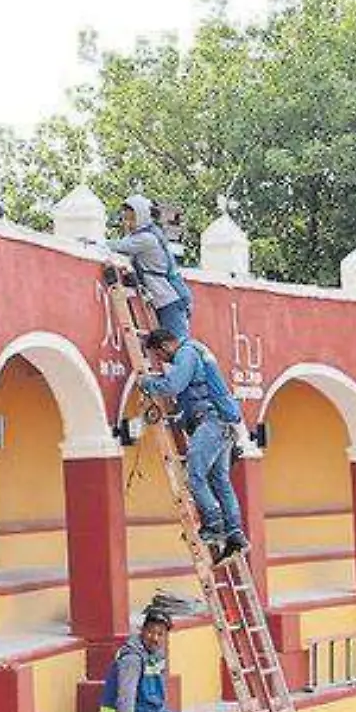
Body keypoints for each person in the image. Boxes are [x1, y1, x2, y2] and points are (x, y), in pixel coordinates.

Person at [139, 327, 248, 561]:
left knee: (194, 475)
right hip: (225, 422)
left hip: (210, 422)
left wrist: (147, 383)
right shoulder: (199, 349)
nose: (162, 361)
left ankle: (213, 524)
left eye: (159, 356)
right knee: (220, 481)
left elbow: (173, 386)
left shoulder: (186, 354)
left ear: (166, 346)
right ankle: (235, 535)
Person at [104, 194, 192, 339]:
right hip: (163, 298)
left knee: (177, 343)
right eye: (126, 218)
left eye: (132, 218)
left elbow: (118, 246)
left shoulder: (146, 239)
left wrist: (91, 241)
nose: (128, 223)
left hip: (168, 298)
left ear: (142, 216)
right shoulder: (146, 233)